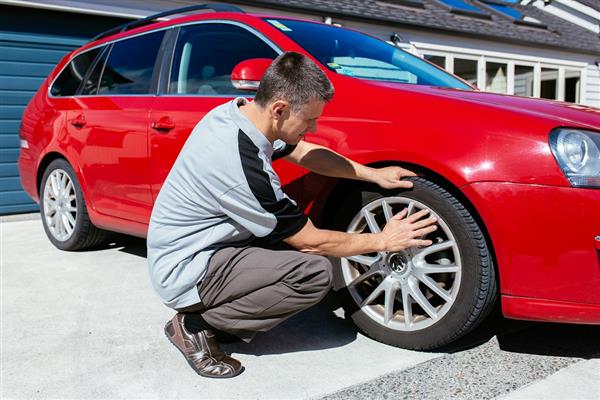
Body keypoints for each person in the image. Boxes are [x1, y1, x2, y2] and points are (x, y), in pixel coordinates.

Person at [147, 52, 438, 378]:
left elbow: (305, 153)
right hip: (188, 267)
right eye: (309, 119)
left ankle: (218, 310)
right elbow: (311, 242)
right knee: (314, 272)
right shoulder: (241, 162)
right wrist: (383, 240)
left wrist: (373, 175)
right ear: (280, 109)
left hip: (211, 246)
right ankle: (195, 324)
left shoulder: (241, 113)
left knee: (304, 255)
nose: (313, 128)